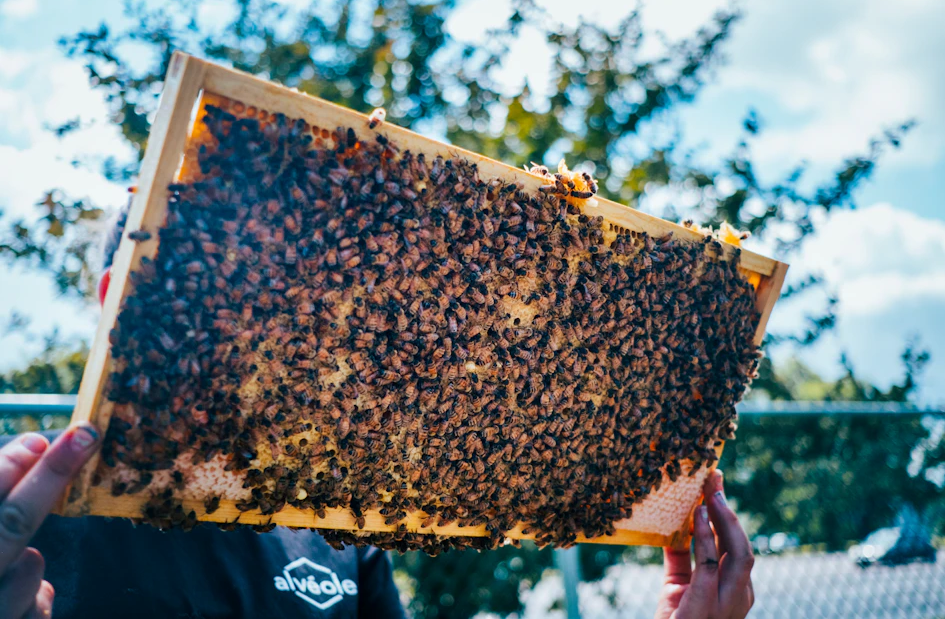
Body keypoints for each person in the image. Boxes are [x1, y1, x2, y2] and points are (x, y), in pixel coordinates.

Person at [0, 208, 754, 618]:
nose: (265, 314)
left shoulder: (331, 528)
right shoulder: (20, 524)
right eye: (223, 278)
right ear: (116, 306)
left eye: (291, 287)